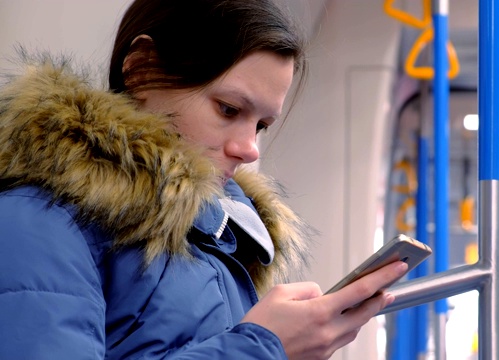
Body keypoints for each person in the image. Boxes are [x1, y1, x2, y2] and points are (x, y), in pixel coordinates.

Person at [0, 0, 409, 359]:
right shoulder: (38, 218)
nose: (250, 149)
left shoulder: (216, 241)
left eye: (262, 125)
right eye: (229, 109)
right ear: (141, 69)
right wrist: (265, 346)